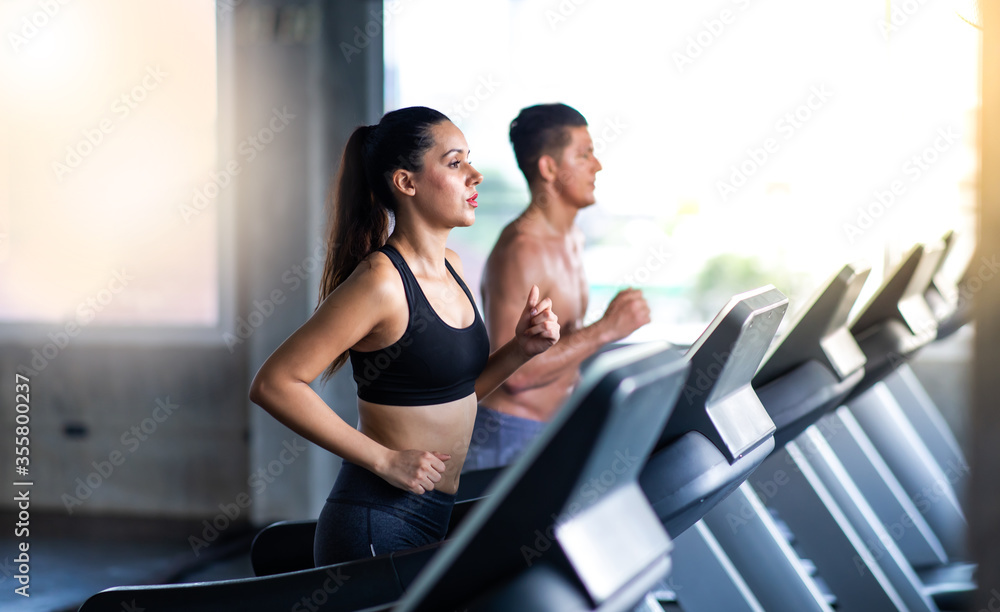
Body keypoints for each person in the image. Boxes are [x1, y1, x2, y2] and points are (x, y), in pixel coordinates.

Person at [248, 106, 560, 566]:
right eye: (455, 163)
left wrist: (521, 350)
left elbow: (453, 396)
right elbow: (274, 384)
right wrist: (384, 460)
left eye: (469, 160)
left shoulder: (452, 265)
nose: (474, 175)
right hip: (377, 522)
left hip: (435, 512)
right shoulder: (381, 281)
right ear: (406, 182)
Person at [465, 103, 650, 471]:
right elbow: (514, 376)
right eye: (583, 155)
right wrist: (607, 328)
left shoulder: (572, 238)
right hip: (509, 434)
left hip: (553, 428)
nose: (596, 165)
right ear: (549, 168)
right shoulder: (523, 250)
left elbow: (562, 342)